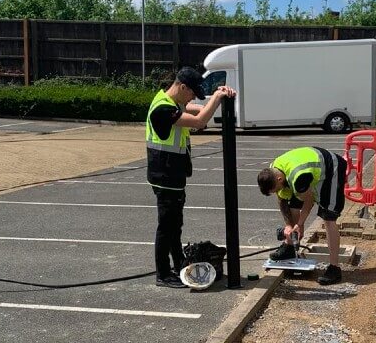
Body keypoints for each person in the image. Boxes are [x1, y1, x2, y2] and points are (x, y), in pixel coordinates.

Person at [146, 66, 235, 288]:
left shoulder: (173, 103)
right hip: (165, 176)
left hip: (172, 176)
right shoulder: (163, 109)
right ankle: (163, 273)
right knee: (166, 227)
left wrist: (217, 97)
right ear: (182, 86)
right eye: (192, 92)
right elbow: (199, 122)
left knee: (175, 226)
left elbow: (196, 110)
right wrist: (216, 97)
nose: (193, 97)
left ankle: (178, 265)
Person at [257, 147, 347, 285]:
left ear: (279, 179)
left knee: (328, 216)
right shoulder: (273, 171)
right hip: (306, 171)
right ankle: (289, 246)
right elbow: (282, 200)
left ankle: (334, 269)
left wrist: (300, 224)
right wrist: (288, 225)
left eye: (277, 188)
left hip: (331, 167)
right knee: (293, 205)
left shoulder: (299, 177)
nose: (278, 191)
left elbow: (309, 200)